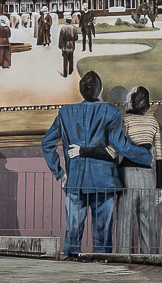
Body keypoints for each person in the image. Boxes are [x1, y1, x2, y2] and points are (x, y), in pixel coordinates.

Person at [41, 70, 152, 256]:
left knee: (73, 234)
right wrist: (145, 156)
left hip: (75, 182)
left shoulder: (66, 112)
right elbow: (120, 145)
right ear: (100, 91)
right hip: (104, 183)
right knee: (103, 236)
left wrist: (60, 173)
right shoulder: (112, 112)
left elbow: (46, 144)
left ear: (81, 90)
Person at [76, 85, 162, 254]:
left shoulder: (123, 120)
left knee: (125, 222)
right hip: (149, 177)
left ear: (130, 101)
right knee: (149, 222)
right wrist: (159, 186)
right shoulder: (153, 121)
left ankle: (126, 262)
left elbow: (112, 151)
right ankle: (152, 261)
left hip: (127, 176)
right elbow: (159, 156)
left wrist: (84, 151)